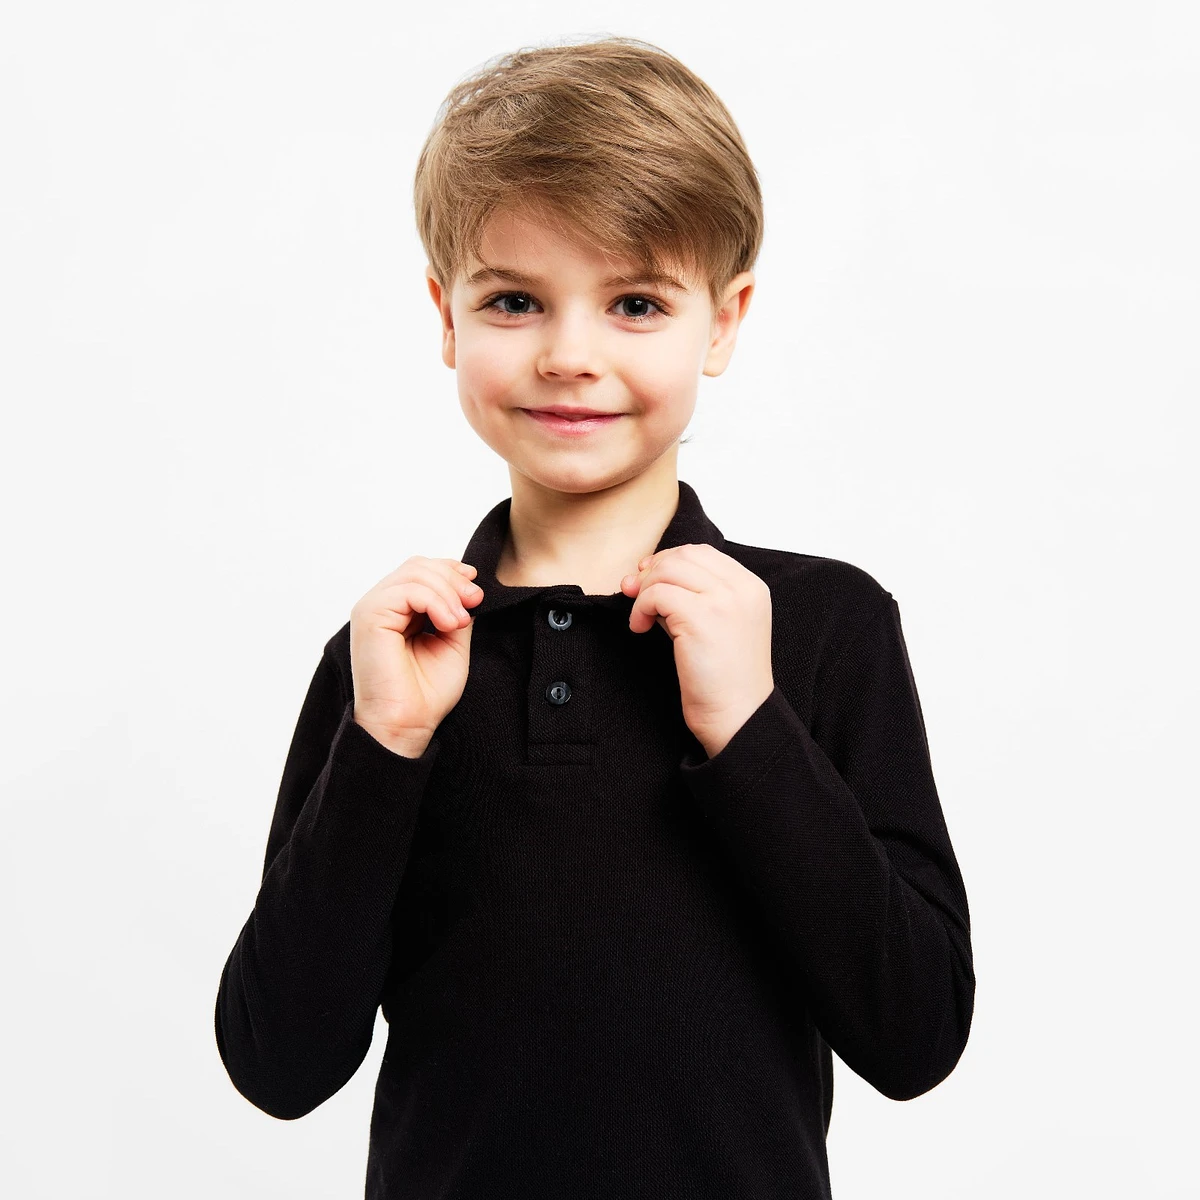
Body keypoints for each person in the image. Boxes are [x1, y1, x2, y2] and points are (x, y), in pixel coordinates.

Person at [214, 35, 974, 1200]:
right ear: (447, 316)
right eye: (515, 300)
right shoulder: (392, 660)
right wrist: (384, 748)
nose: (571, 355)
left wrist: (753, 730)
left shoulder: (825, 628)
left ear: (723, 322)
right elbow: (279, 1063)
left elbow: (916, 1035)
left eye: (635, 303)